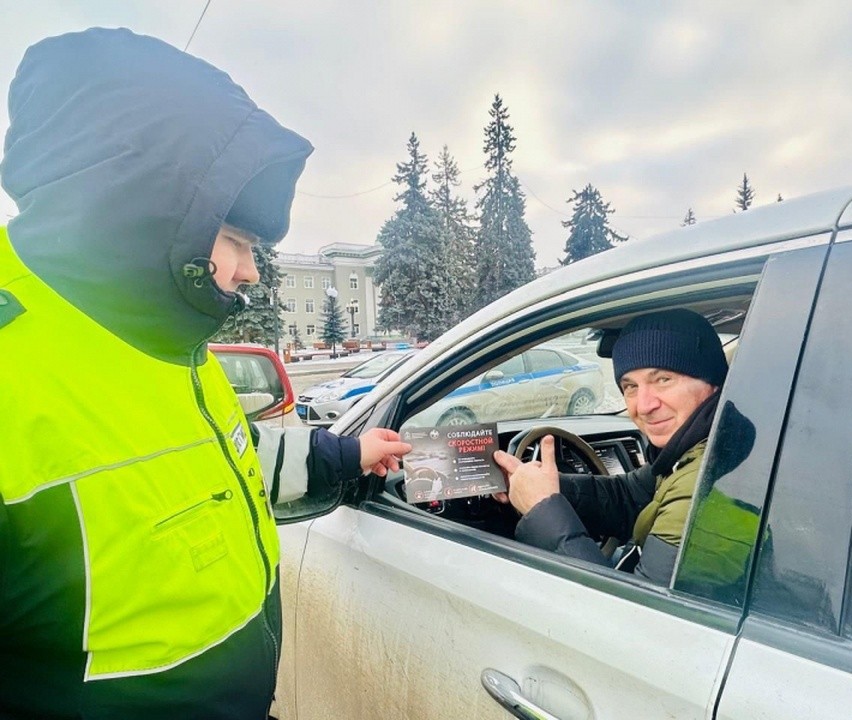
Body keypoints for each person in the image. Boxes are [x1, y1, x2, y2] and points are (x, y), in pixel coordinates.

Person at [0, 28, 410, 719]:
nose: (250, 271)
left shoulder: (168, 348)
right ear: (146, 210)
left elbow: (217, 464)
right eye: (237, 241)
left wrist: (348, 453)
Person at [493, 309, 727, 585]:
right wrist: (545, 485)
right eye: (630, 387)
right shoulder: (697, 449)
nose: (644, 405)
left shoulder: (709, 481)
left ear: (712, 383)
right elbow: (629, 496)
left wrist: (542, 508)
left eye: (663, 379)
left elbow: (633, 617)